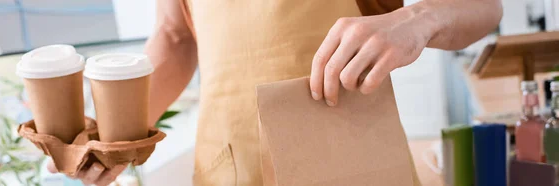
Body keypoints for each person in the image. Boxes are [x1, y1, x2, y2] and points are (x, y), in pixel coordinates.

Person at [48, 0, 502, 185]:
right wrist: (116, 136)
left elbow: (486, 7)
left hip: (349, 162)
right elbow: (175, 37)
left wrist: (419, 18)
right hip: (229, 166)